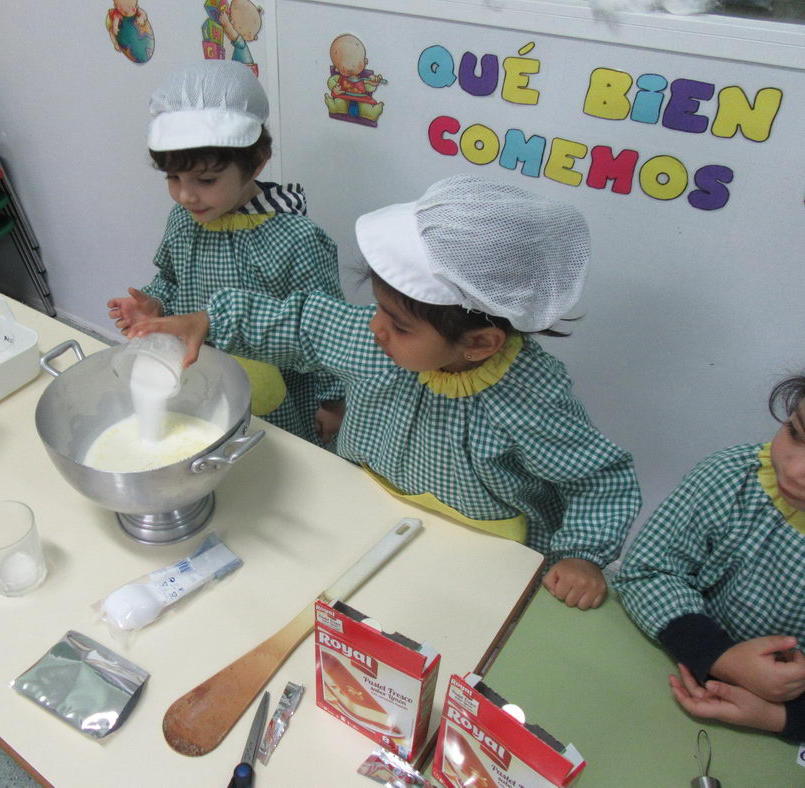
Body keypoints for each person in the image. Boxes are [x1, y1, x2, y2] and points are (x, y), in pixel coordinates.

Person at [125, 175, 642, 609]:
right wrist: (209, 320)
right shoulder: (375, 342)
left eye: (397, 324)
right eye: (376, 309)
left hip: (477, 557)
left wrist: (580, 555)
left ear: (480, 343)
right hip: (367, 518)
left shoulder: (531, 399)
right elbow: (303, 321)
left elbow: (601, 480)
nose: (375, 328)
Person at [108, 60, 345, 446]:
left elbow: (328, 329)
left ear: (255, 163)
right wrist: (156, 305)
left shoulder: (296, 239)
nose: (186, 194)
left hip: (276, 402)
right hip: (201, 379)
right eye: (173, 178)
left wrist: (332, 402)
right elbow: (171, 277)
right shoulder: (184, 221)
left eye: (205, 180)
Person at [613, 373, 805, 740]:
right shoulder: (735, 476)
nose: (795, 470)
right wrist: (721, 657)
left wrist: (779, 717)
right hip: (673, 666)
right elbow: (646, 571)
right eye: (796, 432)